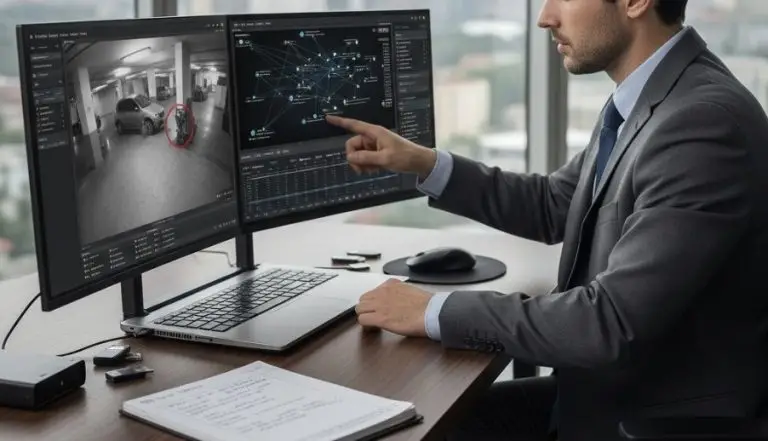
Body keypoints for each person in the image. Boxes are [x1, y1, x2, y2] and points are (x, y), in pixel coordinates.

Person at [326, 0, 768, 440]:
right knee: (417, 420)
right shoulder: (654, 93)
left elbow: (608, 322)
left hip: (648, 418)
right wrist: (423, 163)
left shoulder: (701, 122)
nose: (545, 17)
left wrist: (433, 310)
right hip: (604, 394)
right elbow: (555, 203)